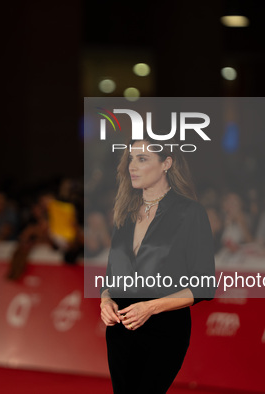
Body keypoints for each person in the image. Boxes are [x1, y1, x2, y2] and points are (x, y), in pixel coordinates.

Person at [99, 137, 216, 394]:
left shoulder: (190, 213)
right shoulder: (124, 213)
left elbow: (204, 285)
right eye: (131, 159)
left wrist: (150, 307)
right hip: (120, 330)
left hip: (164, 329)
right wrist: (105, 302)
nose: (133, 166)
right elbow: (111, 280)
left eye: (142, 159)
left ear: (167, 163)